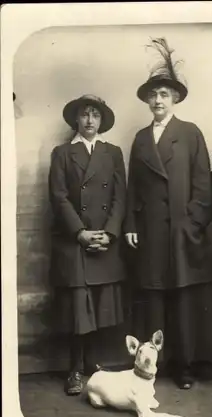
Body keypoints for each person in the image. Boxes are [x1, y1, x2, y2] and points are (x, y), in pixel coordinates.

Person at [124, 38, 212, 390]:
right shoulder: (140, 138)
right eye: (154, 95)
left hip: (182, 232)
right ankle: (152, 366)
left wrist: (192, 222)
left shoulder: (190, 134)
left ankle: (185, 366)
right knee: (154, 299)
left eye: (164, 94)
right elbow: (134, 186)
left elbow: (203, 186)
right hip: (150, 232)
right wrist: (132, 224)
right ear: (148, 101)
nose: (158, 100)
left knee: (183, 300)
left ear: (175, 99)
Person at [48, 94, 127, 395]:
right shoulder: (63, 153)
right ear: (76, 120)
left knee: (100, 307)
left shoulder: (113, 152)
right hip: (75, 241)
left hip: (105, 240)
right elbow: (58, 197)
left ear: (102, 120)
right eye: (85, 115)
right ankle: (75, 369)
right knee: (79, 311)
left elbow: (121, 196)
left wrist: (110, 233)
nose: (90, 120)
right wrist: (80, 232)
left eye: (95, 114)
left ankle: (94, 366)